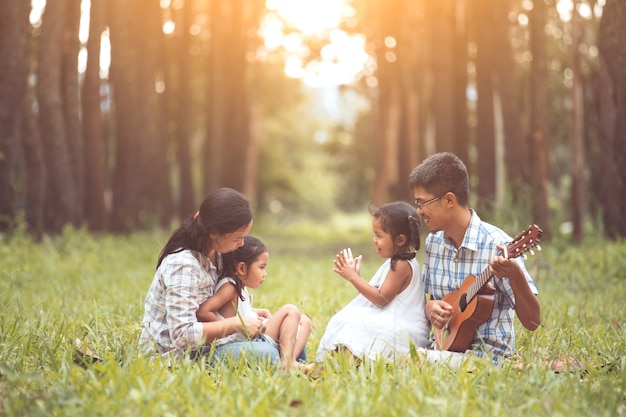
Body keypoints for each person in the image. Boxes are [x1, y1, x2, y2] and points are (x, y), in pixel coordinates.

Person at [408, 152, 541, 367]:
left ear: (449, 200)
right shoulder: (434, 243)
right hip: (443, 349)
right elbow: (435, 300)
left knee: (411, 360)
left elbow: (533, 322)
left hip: (487, 359)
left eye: (423, 203)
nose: (418, 210)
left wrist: (515, 274)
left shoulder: (497, 245)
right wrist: (431, 307)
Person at [138, 187, 280, 366]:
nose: (242, 244)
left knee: (285, 333)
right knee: (267, 353)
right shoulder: (182, 264)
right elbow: (182, 335)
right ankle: (281, 360)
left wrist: (252, 314)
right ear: (214, 232)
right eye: (237, 238)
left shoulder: (219, 254)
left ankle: (285, 360)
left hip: (212, 344)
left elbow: (218, 304)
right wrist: (235, 324)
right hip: (176, 354)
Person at [315, 201, 430, 363]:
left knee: (358, 324)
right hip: (396, 321)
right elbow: (379, 293)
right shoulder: (399, 262)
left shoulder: (402, 265)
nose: (374, 240)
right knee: (348, 319)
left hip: (406, 329)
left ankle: (335, 367)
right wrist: (357, 276)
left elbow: (381, 299)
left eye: (379, 235)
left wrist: (353, 278)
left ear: (400, 240)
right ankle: (335, 363)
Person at [196, 236, 312, 372]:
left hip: (254, 335)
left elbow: (233, 310)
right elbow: (203, 311)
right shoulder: (230, 287)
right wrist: (230, 329)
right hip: (241, 341)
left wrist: (255, 312)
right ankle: (288, 365)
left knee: (305, 321)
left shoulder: (239, 287)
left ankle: (288, 361)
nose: (265, 274)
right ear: (242, 268)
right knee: (290, 310)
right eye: (261, 268)